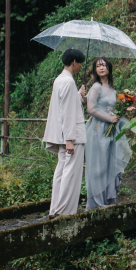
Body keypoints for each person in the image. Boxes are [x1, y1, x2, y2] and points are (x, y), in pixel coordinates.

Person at [42, 48, 88, 219]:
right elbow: (68, 112)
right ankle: (65, 211)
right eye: (80, 63)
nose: (80, 66)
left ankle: (56, 209)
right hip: (71, 136)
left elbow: (64, 105)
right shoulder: (68, 82)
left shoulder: (60, 80)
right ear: (74, 62)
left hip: (62, 135)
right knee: (71, 173)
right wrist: (69, 139)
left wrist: (78, 96)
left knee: (61, 171)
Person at [84, 57, 132, 209]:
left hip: (111, 130)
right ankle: (96, 202)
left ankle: (109, 198)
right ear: (95, 70)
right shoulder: (95, 88)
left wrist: (118, 114)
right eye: (98, 66)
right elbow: (90, 109)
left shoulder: (113, 90)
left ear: (109, 68)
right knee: (99, 165)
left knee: (109, 162)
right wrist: (109, 118)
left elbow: (112, 109)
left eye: (104, 65)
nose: (101, 67)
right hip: (98, 129)